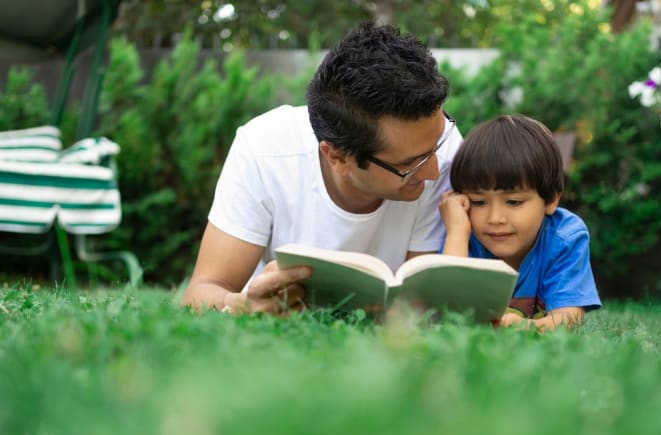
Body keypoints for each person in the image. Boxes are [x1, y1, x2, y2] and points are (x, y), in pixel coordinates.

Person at [183, 23, 462, 315]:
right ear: (337, 157)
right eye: (409, 164)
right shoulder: (264, 152)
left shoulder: (444, 149)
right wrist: (241, 305)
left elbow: (423, 302)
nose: (433, 171)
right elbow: (201, 291)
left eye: (437, 145)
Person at [439, 114, 601, 331]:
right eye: (478, 202)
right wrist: (457, 231)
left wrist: (526, 327)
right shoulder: (463, 234)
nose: (495, 219)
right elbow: (448, 311)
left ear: (551, 199)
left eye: (513, 202)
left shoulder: (564, 237)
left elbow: (569, 318)